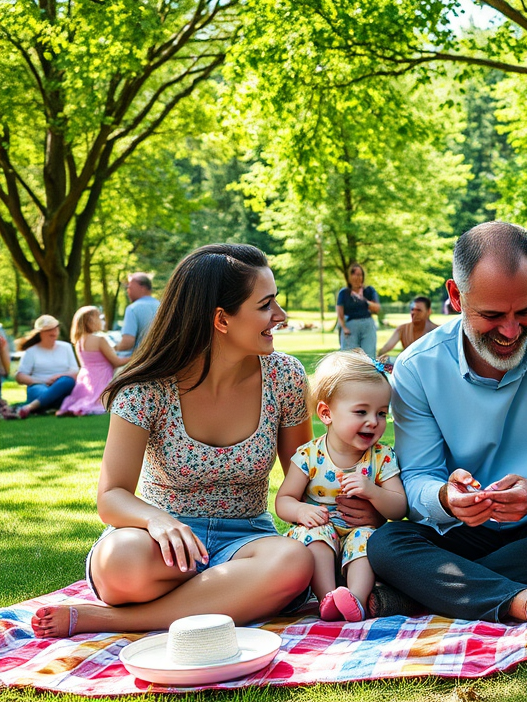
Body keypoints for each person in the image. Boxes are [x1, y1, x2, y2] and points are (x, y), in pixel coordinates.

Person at [31, 243, 316, 639]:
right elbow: (111, 495)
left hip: (248, 538)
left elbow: (306, 476)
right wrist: (157, 520)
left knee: (293, 562)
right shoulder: (146, 388)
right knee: (118, 563)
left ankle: (119, 620)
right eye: (267, 305)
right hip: (160, 544)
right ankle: (228, 595)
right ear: (221, 319)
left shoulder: (285, 376)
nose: (280, 317)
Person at [366, 221, 527, 644]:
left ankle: (419, 593)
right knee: (386, 543)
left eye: (526, 311)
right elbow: (417, 477)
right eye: (492, 315)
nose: (510, 331)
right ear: (455, 297)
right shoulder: (417, 367)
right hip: (460, 533)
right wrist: (446, 500)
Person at [276, 350, 406, 622]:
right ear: (326, 413)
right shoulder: (310, 455)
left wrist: (373, 490)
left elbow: (398, 507)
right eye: (361, 411)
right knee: (316, 534)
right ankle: (329, 596)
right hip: (320, 539)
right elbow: (284, 499)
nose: (374, 421)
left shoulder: (381, 456)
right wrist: (300, 512)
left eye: (382, 413)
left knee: (366, 538)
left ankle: (355, 599)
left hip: (358, 537)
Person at [57, 306, 130, 416]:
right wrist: (136, 357)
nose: (102, 321)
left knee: (85, 401)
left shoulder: (79, 341)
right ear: (91, 320)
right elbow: (117, 362)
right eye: (100, 317)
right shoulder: (99, 340)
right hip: (101, 378)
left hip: (86, 379)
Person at [14, 315, 79, 417]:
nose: (54, 333)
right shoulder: (31, 351)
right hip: (39, 385)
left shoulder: (66, 347)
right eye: (50, 331)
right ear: (41, 333)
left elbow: (75, 372)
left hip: (62, 384)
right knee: (45, 392)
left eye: (56, 330)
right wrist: (44, 381)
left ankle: (30, 407)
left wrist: (58, 376)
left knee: (67, 381)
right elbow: (20, 376)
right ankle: (53, 405)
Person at [337, 263, 381, 357]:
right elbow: (340, 313)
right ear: (350, 277)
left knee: (369, 356)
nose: (358, 277)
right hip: (351, 326)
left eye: (360, 275)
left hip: (367, 324)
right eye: (355, 274)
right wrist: (344, 328)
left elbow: (377, 308)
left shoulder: (369, 291)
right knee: (349, 356)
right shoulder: (344, 293)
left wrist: (363, 299)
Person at [376, 296, 439, 361]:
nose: (414, 312)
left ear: (429, 311)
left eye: (419, 310)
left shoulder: (437, 331)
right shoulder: (402, 329)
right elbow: (386, 347)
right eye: (412, 309)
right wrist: (376, 359)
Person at [115, 273, 160, 355]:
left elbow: (127, 343)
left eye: (130, 287)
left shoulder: (132, 309)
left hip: (141, 361)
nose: (128, 290)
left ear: (142, 288)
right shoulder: (162, 306)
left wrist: (113, 348)